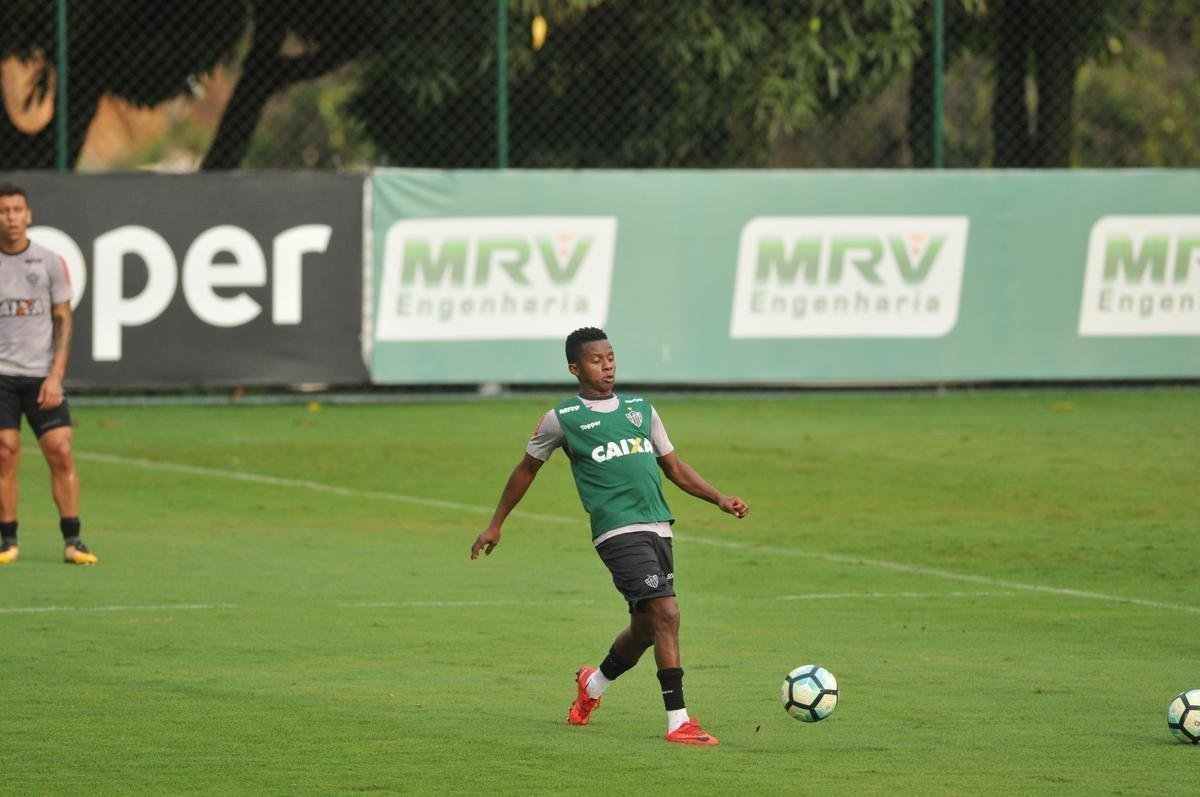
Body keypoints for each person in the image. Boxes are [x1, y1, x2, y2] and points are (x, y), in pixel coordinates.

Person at [470, 326, 748, 746]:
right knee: (668, 614)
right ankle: (679, 722)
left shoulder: (640, 408)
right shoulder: (561, 419)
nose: (608, 366)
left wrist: (719, 498)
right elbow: (526, 470)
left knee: (645, 628)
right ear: (575, 368)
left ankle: (592, 685)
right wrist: (496, 522)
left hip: (658, 525)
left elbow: (673, 467)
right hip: (617, 532)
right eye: (597, 360)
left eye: (611, 357)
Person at [0, 183, 97, 565]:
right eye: (4, 210)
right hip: (2, 376)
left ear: (29, 215)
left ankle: (73, 540)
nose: (10, 217)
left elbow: (63, 320)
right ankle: (8, 540)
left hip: (42, 376)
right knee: (4, 454)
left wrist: (56, 376)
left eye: (17, 210)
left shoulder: (49, 262)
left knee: (61, 451)